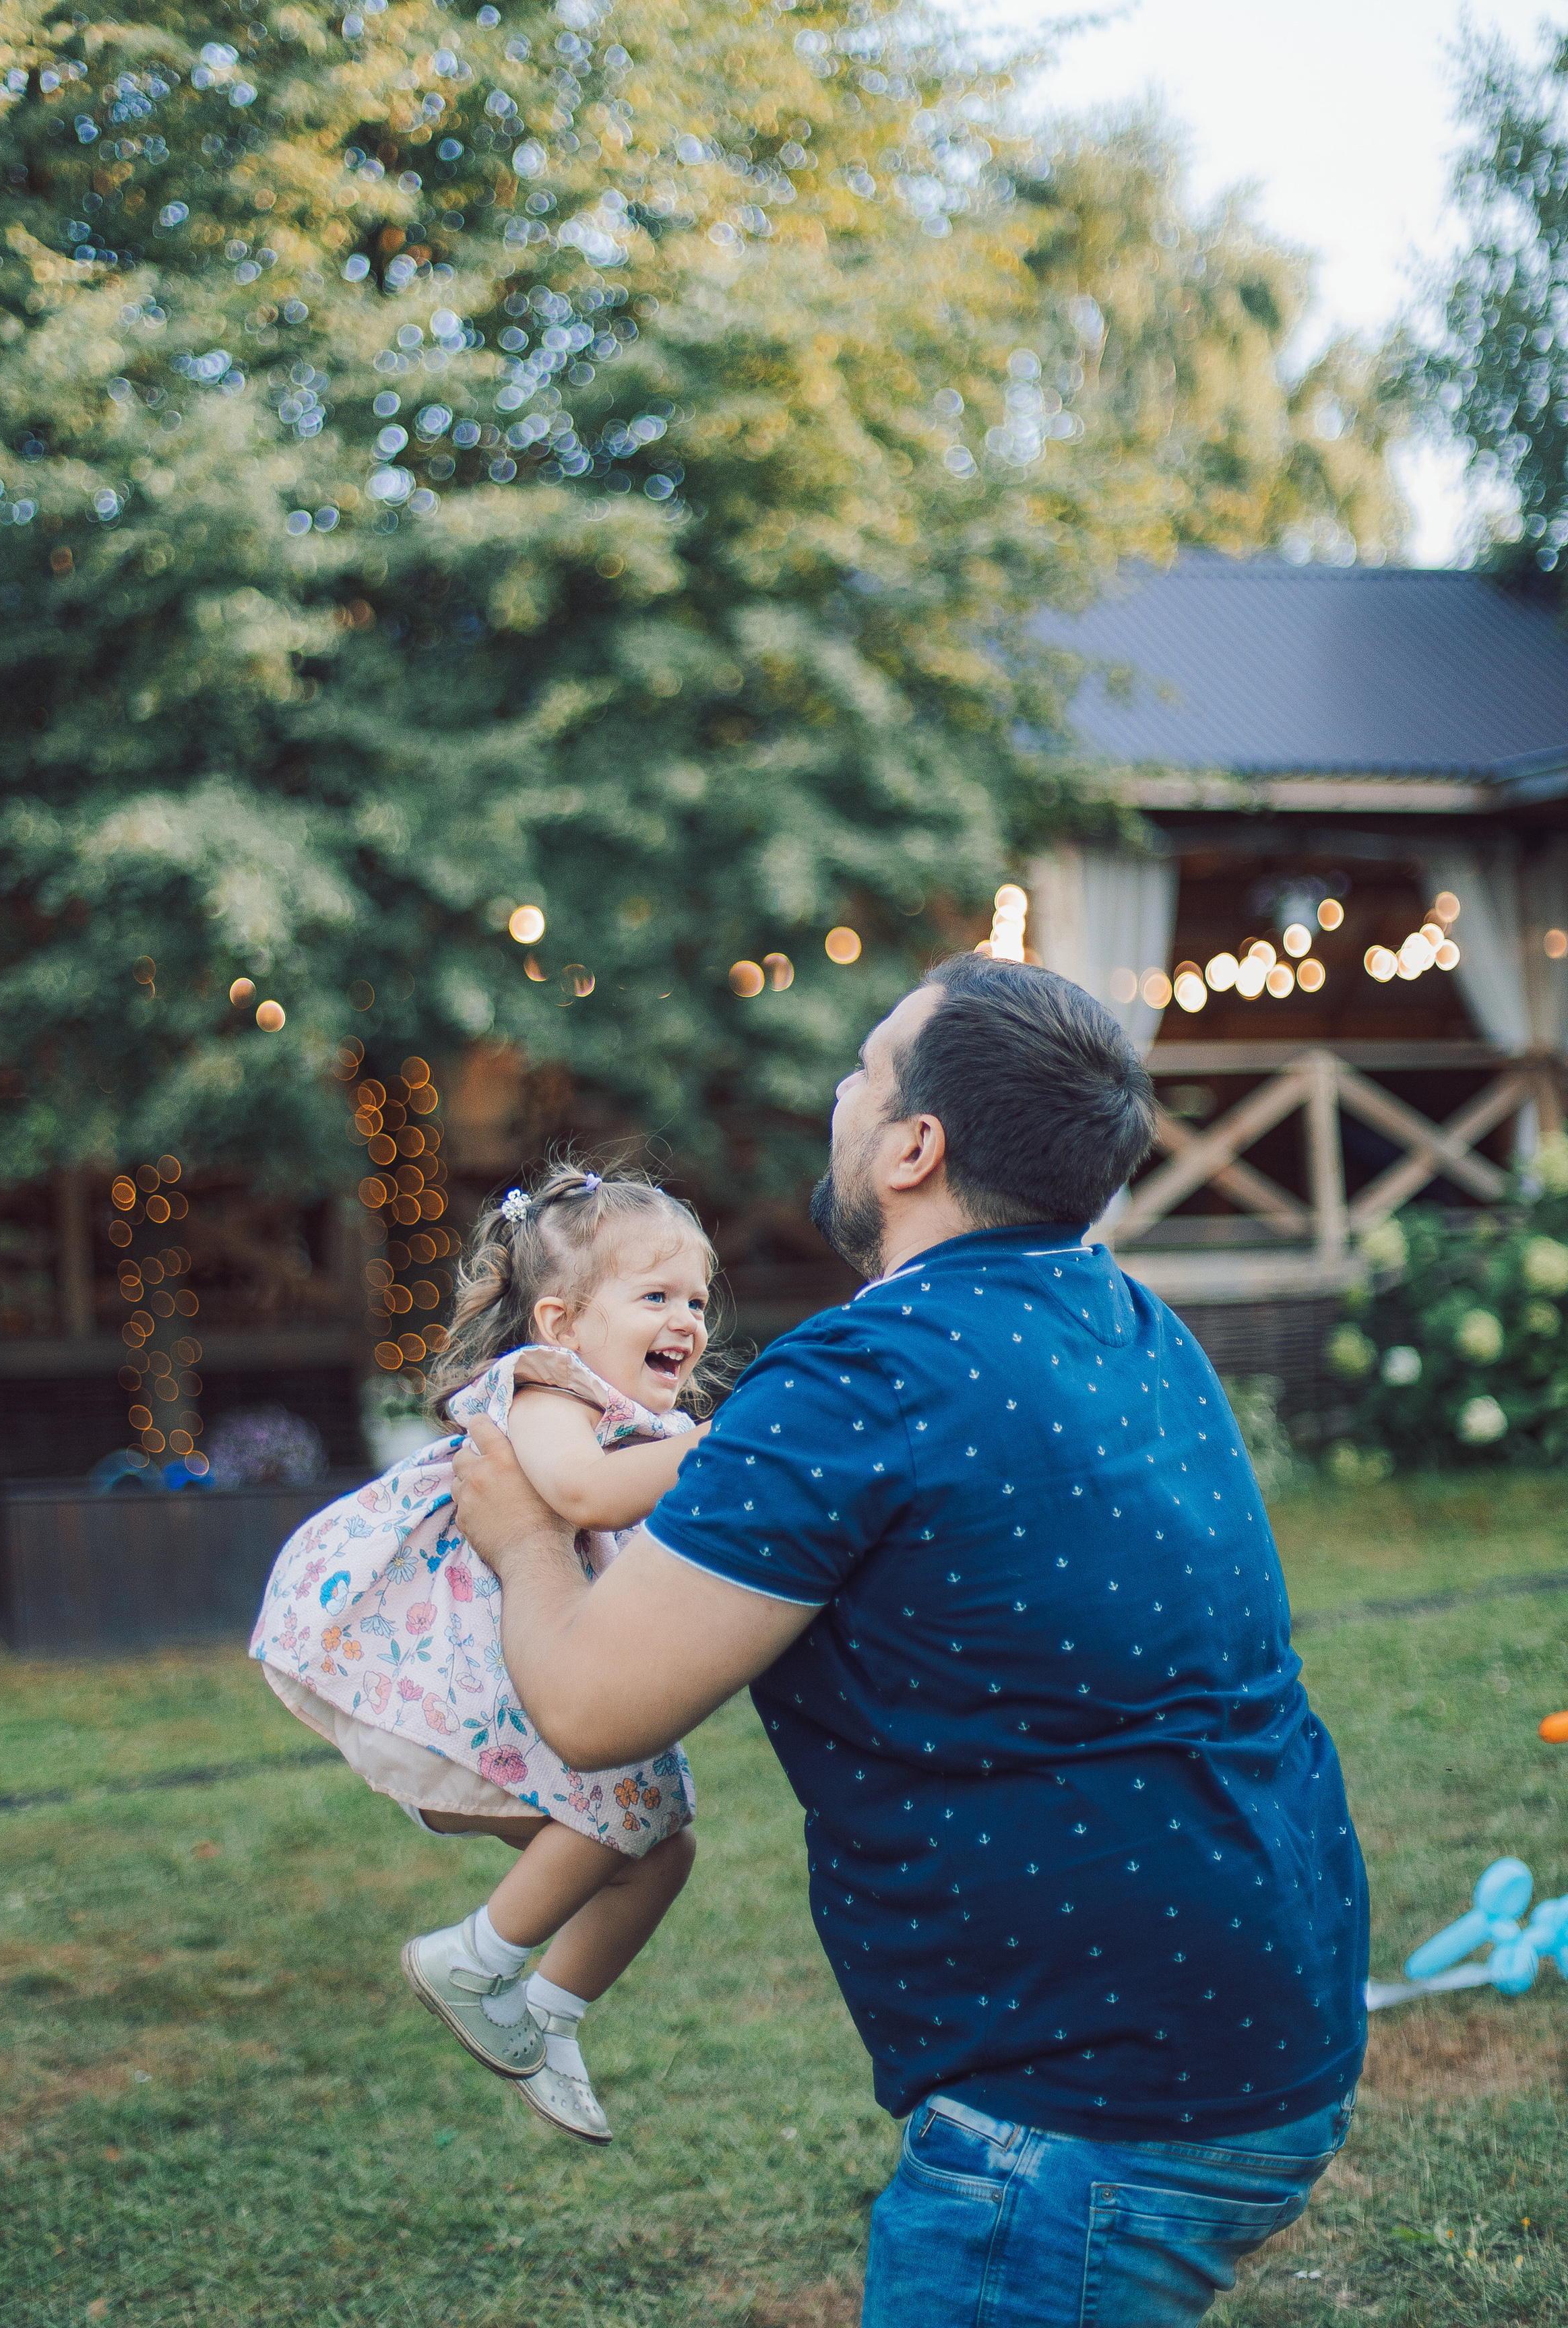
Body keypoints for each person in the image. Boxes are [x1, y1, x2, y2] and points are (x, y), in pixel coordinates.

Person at [453, 955, 1368, 2326]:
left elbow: (589, 1705)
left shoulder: (855, 1380)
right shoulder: (1131, 1321)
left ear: (912, 1146)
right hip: (1272, 2027)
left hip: (1083, 2111)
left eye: (863, 1070)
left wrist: (522, 1538)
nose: (837, 1092)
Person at [251, 1158, 720, 2143]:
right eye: (656, 1297)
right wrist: (732, 1442)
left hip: (553, 1660)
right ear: (560, 1323)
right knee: (610, 1820)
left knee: (662, 1846)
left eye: (697, 1299)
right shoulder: (546, 1394)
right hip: (473, 1675)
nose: (687, 1320)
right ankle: (472, 1957)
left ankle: (548, 2017)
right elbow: (584, 1497)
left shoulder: (648, 1422)